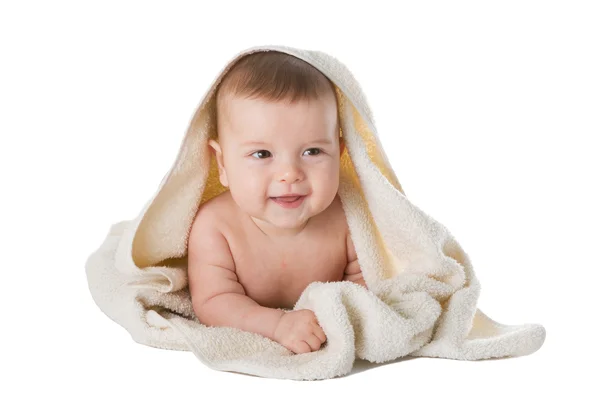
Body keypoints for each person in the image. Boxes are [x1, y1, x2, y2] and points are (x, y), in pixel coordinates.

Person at [187, 51, 366, 355]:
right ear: (222, 164)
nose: (289, 174)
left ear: (340, 153)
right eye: (262, 154)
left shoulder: (348, 218)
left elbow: (366, 284)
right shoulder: (215, 227)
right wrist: (277, 324)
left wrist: (342, 318)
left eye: (312, 151)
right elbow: (213, 302)